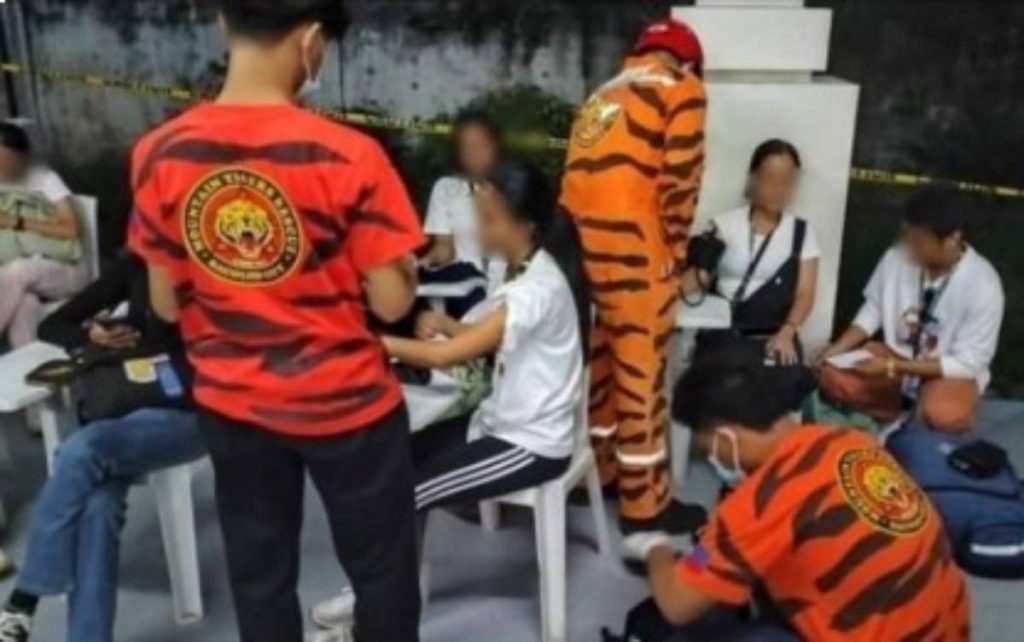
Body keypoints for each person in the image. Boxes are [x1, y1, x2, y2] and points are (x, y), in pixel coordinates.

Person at [125, 2, 425, 641]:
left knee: (259, 579)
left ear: (221, 24)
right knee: (382, 576)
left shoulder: (158, 152)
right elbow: (395, 305)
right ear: (312, 40)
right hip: (349, 410)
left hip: (235, 409)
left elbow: (167, 306)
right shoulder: (351, 156)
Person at [312, 161, 590, 634]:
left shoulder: (536, 288)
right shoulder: (527, 266)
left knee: (407, 493)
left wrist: (376, 344)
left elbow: (454, 357)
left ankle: (376, 616)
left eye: (487, 218)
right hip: (499, 421)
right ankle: (378, 595)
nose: (475, 227)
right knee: (397, 461)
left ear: (524, 223)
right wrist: (449, 326)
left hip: (529, 445)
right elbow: (491, 339)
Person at [625, 349, 970, 642]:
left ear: (725, 439)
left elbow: (676, 605)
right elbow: (717, 549)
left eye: (706, 449)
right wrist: (704, 554)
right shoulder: (849, 441)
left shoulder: (760, 504)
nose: (712, 458)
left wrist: (657, 551)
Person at [0, 251, 205, 642]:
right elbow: (55, 325)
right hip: (121, 410)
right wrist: (92, 334)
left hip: (185, 412)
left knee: (81, 449)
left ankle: (24, 598)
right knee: (97, 505)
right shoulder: (135, 266)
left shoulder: (208, 268)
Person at [560, 18, 708, 538]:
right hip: (637, 248)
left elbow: (573, 183)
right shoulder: (681, 87)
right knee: (642, 376)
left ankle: (599, 473)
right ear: (687, 62)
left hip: (583, 248)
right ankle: (645, 505)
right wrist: (675, 249)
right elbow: (680, 180)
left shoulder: (601, 96)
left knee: (601, 367)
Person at [818, 187, 1004, 433]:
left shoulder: (984, 284)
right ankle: (899, 410)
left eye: (919, 242)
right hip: (895, 357)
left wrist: (893, 368)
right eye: (908, 237)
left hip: (945, 372)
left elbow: (969, 363)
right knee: (833, 376)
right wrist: (837, 349)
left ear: (951, 240)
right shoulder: (896, 256)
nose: (910, 247)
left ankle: (918, 411)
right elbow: (873, 309)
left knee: (944, 414)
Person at [682, 140, 819, 410]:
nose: (777, 188)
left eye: (786, 180)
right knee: (726, 386)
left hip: (775, 336)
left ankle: (773, 450)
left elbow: (805, 294)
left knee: (784, 382)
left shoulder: (802, 233)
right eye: (770, 178)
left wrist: (787, 333)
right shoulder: (724, 225)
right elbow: (694, 282)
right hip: (725, 334)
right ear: (753, 177)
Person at [0, 122, 87, 347]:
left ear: (20, 156)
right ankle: (27, 368)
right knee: (24, 304)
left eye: (3, 158)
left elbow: (71, 229)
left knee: (19, 269)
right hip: (18, 279)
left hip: (66, 270)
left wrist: (16, 222)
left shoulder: (45, 179)